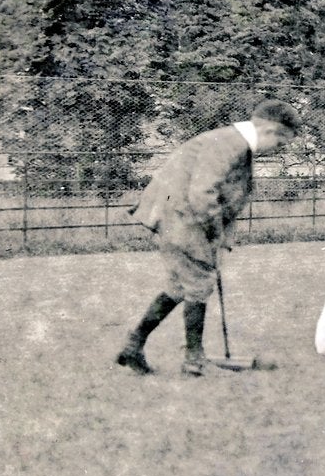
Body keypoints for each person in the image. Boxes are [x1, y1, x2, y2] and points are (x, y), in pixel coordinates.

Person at [116, 99, 302, 376]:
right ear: (269, 131)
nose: (277, 150)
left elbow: (224, 196)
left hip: (183, 215)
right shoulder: (228, 143)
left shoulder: (237, 143)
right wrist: (214, 233)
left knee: (179, 287)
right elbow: (202, 194)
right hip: (182, 216)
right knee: (199, 282)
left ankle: (133, 347)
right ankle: (194, 359)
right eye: (280, 144)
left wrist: (222, 237)